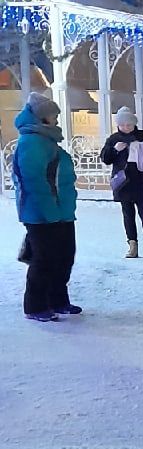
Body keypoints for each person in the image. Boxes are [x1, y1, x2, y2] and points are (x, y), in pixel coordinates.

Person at [12, 92, 79, 322]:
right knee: (45, 260)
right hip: (42, 214)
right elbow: (34, 181)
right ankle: (35, 305)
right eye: (53, 115)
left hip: (60, 211)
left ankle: (58, 300)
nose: (56, 119)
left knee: (64, 257)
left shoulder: (47, 140)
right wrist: (50, 211)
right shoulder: (32, 142)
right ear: (42, 117)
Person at [101, 107, 143, 260]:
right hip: (123, 182)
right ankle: (132, 245)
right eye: (123, 124)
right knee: (128, 215)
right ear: (118, 125)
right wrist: (114, 150)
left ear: (134, 124)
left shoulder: (142, 136)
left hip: (141, 180)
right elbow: (105, 159)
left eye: (129, 124)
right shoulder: (113, 139)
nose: (126, 127)